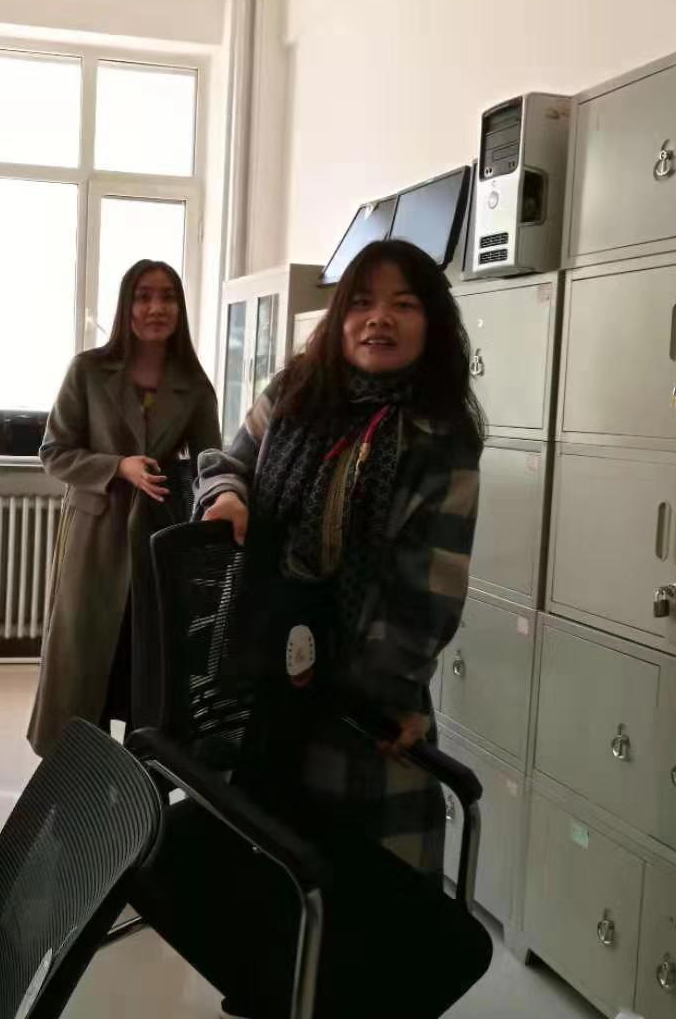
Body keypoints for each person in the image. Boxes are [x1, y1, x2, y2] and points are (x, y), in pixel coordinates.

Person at [189, 238, 487, 1016]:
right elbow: (226, 459)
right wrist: (227, 497)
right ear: (339, 316)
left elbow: (428, 592)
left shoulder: (439, 437)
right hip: (264, 673)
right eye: (362, 302)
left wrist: (371, 696)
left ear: (432, 323)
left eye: (403, 304)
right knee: (267, 878)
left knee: (358, 905)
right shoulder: (295, 392)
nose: (379, 319)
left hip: (361, 705)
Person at [28, 260, 221, 756]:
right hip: (94, 535)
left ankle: (143, 775)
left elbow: (211, 463)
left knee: (148, 662)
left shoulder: (194, 384)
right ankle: (78, 770)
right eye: (143, 296)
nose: (156, 307)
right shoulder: (88, 370)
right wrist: (118, 466)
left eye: (168, 296)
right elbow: (53, 452)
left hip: (159, 539)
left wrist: (223, 501)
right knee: (84, 659)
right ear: (126, 306)